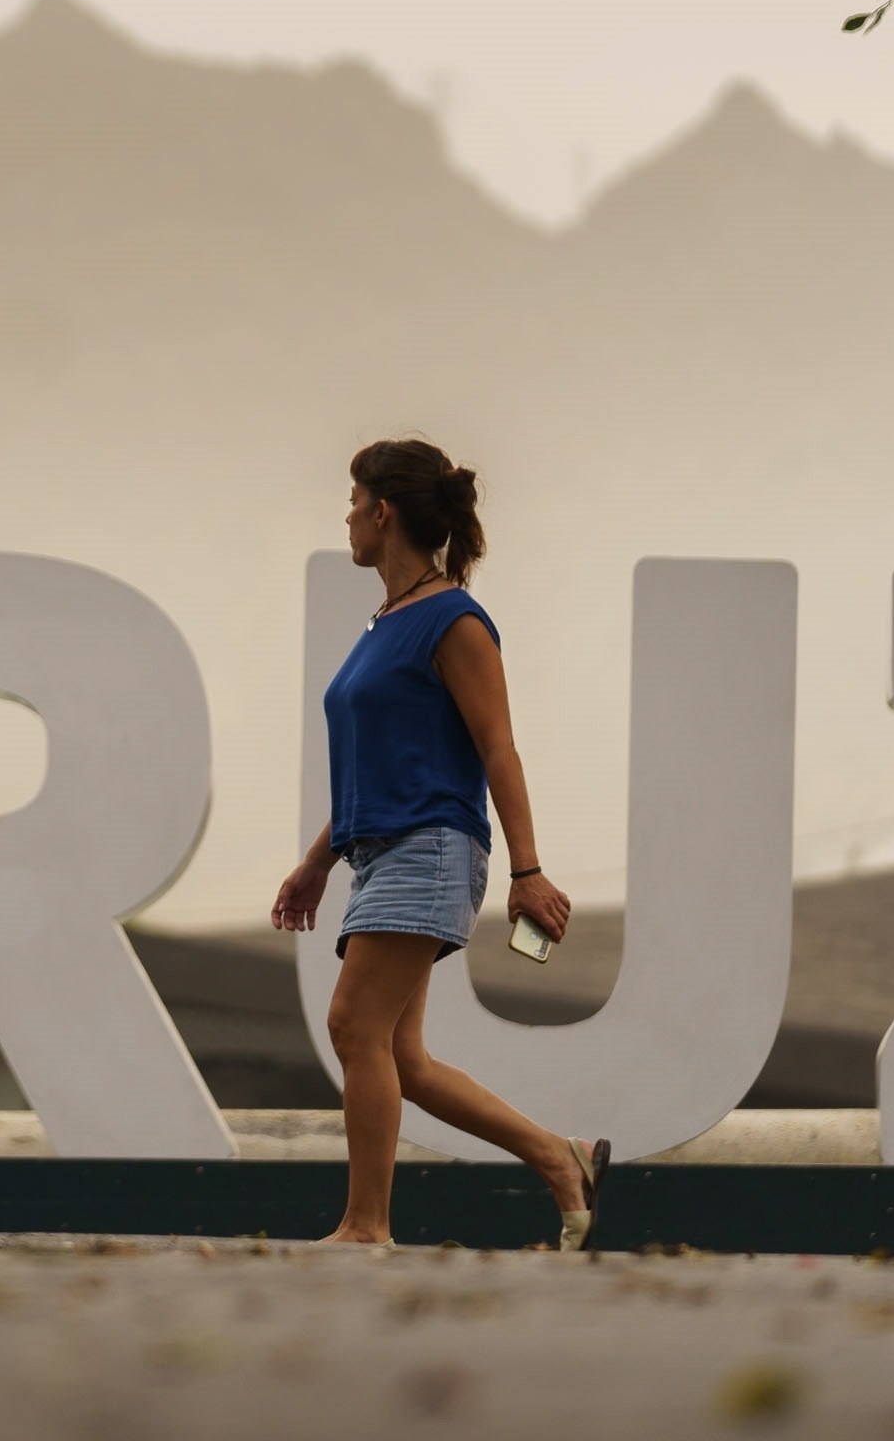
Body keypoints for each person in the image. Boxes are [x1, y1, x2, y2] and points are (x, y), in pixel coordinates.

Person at [271, 438, 608, 1250]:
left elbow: (499, 749)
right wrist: (319, 861)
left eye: (354, 503)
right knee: (402, 1057)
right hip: (380, 850)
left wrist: (527, 871)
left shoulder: (453, 620)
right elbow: (373, 767)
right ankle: (560, 1160)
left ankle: (366, 1225)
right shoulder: (386, 623)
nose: (348, 518)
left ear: (383, 512)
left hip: (430, 846)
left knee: (355, 1027)